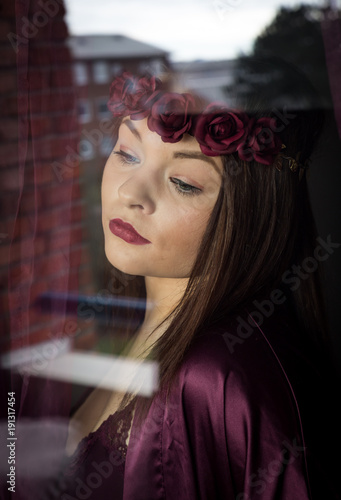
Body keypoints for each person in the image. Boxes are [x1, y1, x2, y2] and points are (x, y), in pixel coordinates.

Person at [47, 72, 340, 499]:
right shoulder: (130, 325)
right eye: (128, 154)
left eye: (183, 182)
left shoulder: (219, 381)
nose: (131, 192)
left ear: (252, 210)